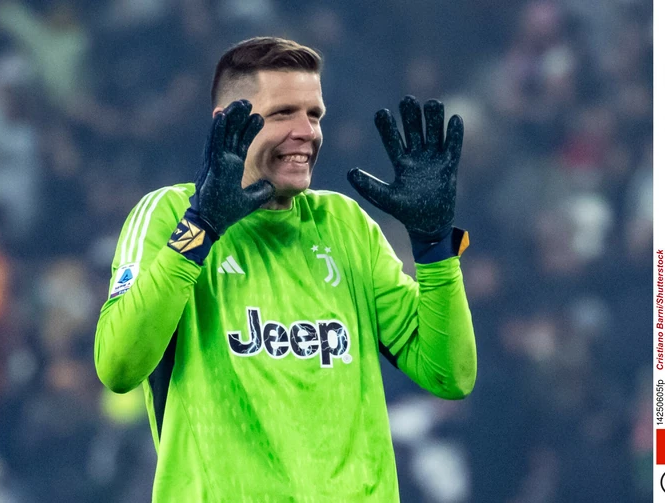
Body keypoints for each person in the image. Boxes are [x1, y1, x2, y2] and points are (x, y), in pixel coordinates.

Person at [94, 36, 476, 501]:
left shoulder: (346, 225)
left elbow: (449, 374)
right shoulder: (170, 214)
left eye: (314, 114)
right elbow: (118, 365)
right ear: (228, 121)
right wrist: (202, 226)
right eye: (283, 114)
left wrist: (434, 248)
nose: (306, 131)